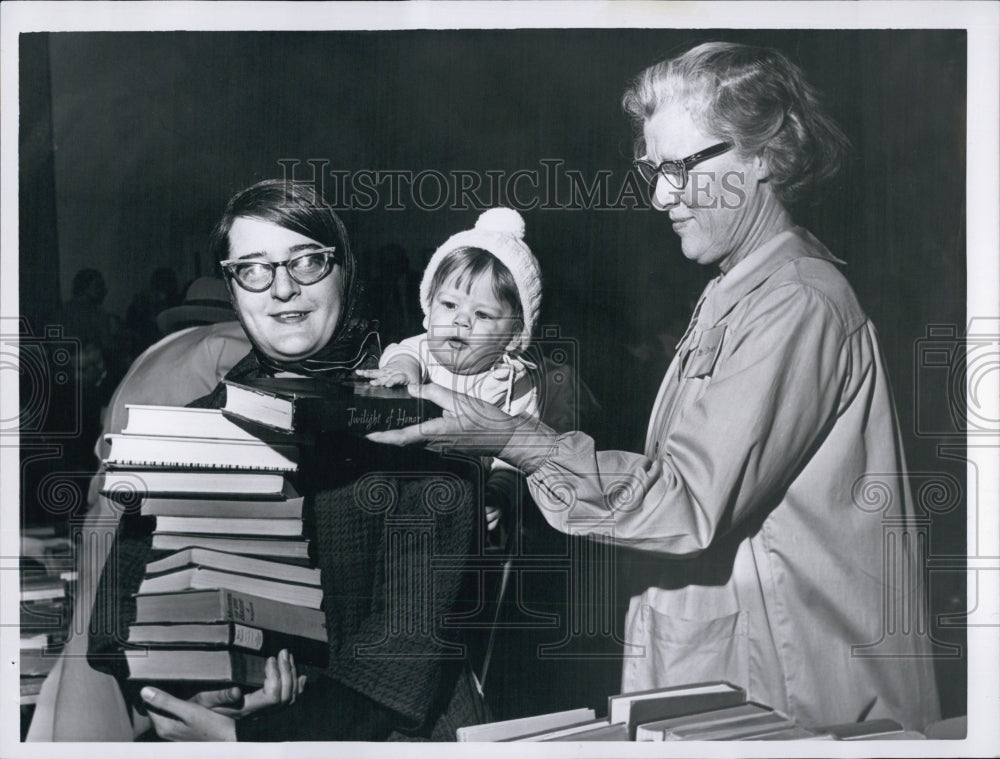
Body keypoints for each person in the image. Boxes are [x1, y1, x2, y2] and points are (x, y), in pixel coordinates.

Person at [371, 42, 941, 731]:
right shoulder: (738, 292)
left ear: (763, 155)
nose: (660, 195)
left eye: (679, 168)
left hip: (786, 701)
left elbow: (684, 503)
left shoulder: (797, 303)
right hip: (731, 683)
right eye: (652, 170)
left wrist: (512, 437)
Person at [86, 179, 486, 741]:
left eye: (308, 262)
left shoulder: (422, 431)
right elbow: (117, 620)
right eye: (253, 268)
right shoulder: (189, 433)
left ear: (345, 270)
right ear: (232, 288)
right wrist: (194, 693)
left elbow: (400, 656)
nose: (282, 289)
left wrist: (248, 742)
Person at [26, 277, 251, 741]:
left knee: (88, 673)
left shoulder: (150, 358)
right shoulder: (225, 348)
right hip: (149, 532)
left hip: (108, 520)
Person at [358, 207, 542, 535]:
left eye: (483, 315)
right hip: (401, 482)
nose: (461, 320)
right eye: (449, 305)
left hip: (468, 497)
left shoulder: (516, 382)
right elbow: (402, 353)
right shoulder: (422, 351)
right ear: (429, 310)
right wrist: (403, 371)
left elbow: (518, 456)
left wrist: (500, 492)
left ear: (514, 335)